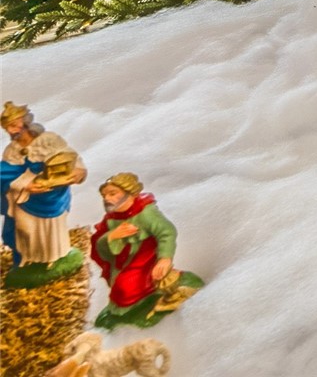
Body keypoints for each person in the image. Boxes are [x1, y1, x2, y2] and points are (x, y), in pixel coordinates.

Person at [89, 173, 202, 328]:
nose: (107, 199)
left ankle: (171, 284)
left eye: (112, 194)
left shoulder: (145, 213)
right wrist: (112, 236)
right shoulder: (110, 218)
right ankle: (128, 308)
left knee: (124, 288)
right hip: (123, 261)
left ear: (128, 192)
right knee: (119, 288)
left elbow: (167, 231)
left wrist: (165, 258)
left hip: (146, 257)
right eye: (104, 195)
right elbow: (98, 245)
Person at [1, 101, 87, 286]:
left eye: (17, 124)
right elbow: (6, 175)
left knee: (51, 231)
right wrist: (25, 184)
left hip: (53, 194)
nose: (15, 130)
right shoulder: (11, 151)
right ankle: (28, 259)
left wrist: (78, 171)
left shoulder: (49, 140)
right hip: (26, 197)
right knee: (25, 230)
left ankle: (55, 258)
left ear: (27, 122)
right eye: (9, 127)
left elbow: (71, 157)